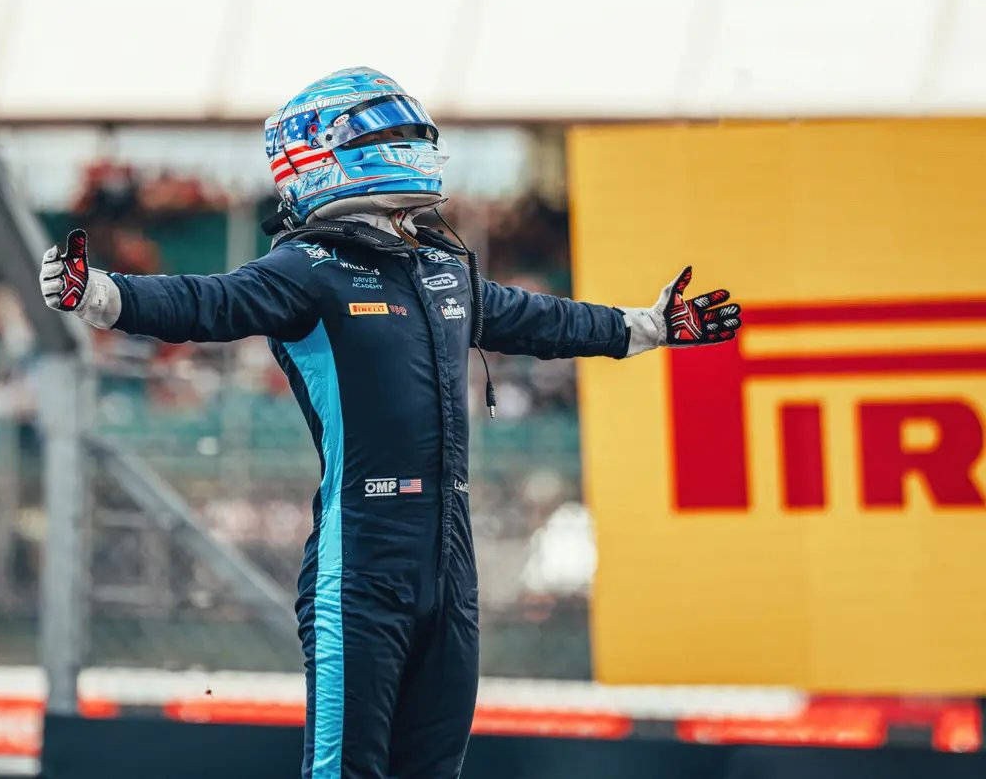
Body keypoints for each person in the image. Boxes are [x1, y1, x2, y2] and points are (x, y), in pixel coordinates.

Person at [38, 67, 742, 779]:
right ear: (321, 153)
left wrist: (651, 327)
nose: (413, 145)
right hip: (361, 565)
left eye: (413, 132)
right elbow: (205, 303)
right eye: (395, 132)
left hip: (450, 562)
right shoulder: (303, 269)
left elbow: (544, 321)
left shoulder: (443, 266)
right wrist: (97, 295)